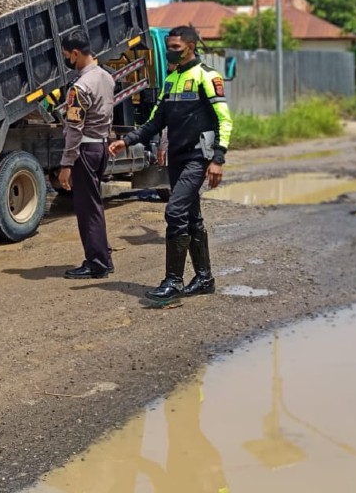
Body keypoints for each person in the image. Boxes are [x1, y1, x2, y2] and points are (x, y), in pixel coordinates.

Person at [109, 25, 233, 302]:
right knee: (191, 216)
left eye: (175, 48)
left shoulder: (207, 76)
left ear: (190, 46)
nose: (170, 52)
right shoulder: (171, 79)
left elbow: (224, 119)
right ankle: (204, 278)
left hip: (197, 157)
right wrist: (127, 141)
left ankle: (173, 282)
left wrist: (218, 158)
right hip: (177, 158)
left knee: (174, 211)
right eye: (168, 47)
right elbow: (155, 121)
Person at [56, 28, 116, 279]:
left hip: (85, 151)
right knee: (94, 206)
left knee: (88, 209)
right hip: (100, 146)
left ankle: (97, 263)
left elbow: (74, 128)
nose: (68, 60)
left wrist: (66, 164)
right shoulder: (107, 77)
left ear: (77, 53)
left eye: (68, 56)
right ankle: (102, 257)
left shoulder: (79, 88)